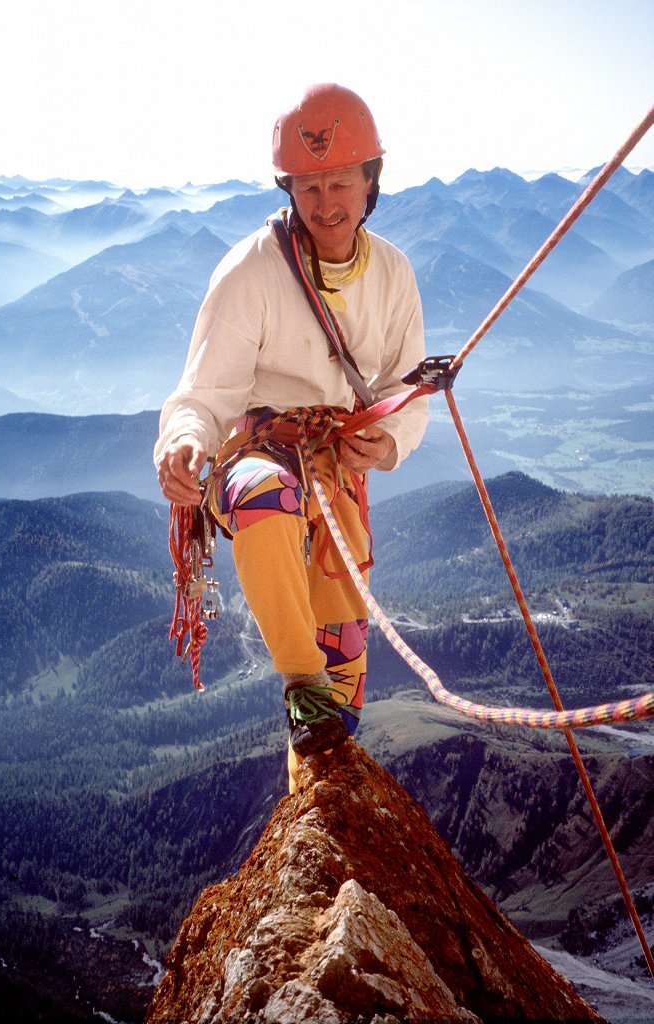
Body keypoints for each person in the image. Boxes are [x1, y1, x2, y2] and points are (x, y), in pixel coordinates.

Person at [155, 83, 429, 791]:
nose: (327, 201)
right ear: (288, 189)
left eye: (341, 181)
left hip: (336, 465)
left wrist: (389, 440)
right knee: (264, 498)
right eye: (309, 185)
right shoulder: (252, 270)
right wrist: (184, 442)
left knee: (345, 668)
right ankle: (301, 687)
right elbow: (203, 392)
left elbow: (404, 388)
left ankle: (317, 780)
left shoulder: (393, 274)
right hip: (254, 454)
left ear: (372, 183)